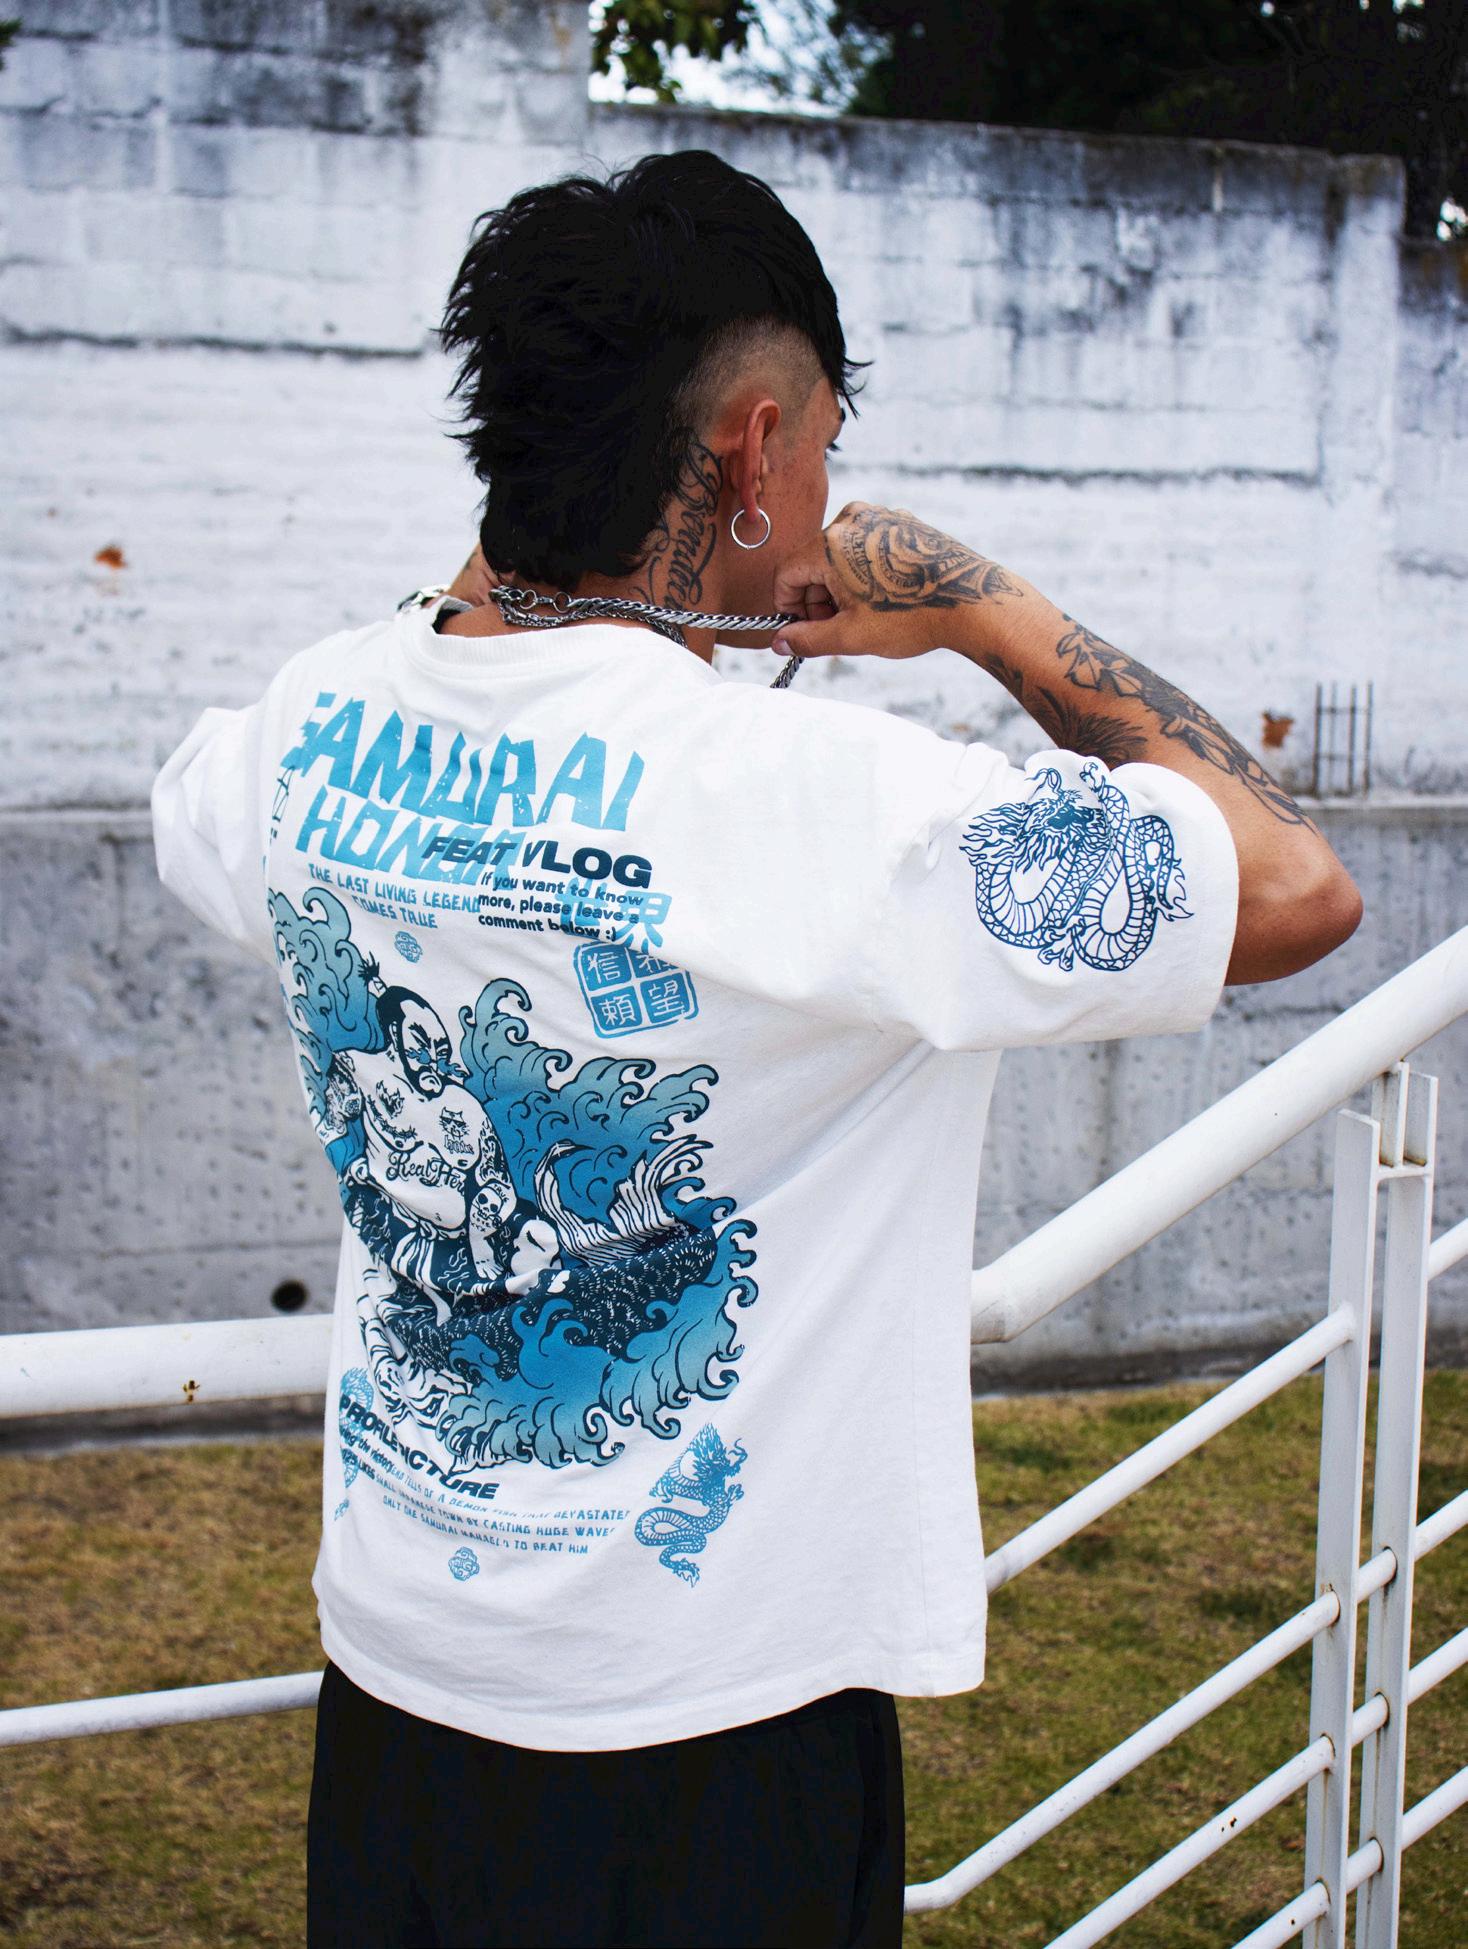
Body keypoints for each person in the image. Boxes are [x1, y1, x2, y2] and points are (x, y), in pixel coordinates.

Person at [150, 148, 1361, 1949]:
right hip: (712, 1743)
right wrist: (973, 601)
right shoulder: (827, 800)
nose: (825, 499)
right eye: (825, 449)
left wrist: (511, 567)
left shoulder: (309, 726)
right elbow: (1295, 884)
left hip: (396, 1712)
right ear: (755, 448)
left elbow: (198, 802)